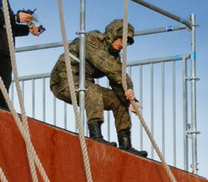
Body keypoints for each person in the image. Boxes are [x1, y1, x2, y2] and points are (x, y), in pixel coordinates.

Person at [48, 18, 142, 151]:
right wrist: (129, 86)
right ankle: (96, 136)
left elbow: (116, 79)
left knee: (118, 100)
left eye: (127, 42)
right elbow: (110, 67)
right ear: (113, 35)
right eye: (122, 39)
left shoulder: (114, 56)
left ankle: (126, 144)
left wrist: (130, 101)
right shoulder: (92, 40)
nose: (123, 45)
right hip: (63, 82)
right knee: (93, 90)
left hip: (84, 84)